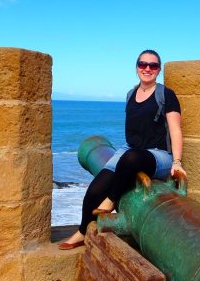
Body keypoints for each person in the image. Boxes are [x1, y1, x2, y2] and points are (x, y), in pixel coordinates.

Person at [58, 49, 186, 250]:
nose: (147, 69)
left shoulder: (166, 95)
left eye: (153, 65)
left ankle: (111, 200)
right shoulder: (131, 94)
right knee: (94, 190)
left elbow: (175, 130)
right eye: (143, 64)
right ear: (137, 67)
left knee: (132, 158)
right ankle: (82, 231)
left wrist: (177, 162)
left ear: (158, 70)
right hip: (129, 150)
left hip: (159, 155)